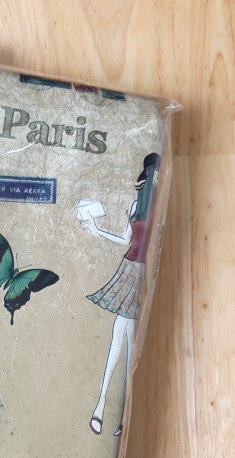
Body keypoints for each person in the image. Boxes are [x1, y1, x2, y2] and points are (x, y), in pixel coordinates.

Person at [79, 152, 161, 436]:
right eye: (155, 173)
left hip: (144, 276)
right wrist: (97, 230)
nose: (158, 178)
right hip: (129, 270)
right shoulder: (137, 204)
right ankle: (112, 409)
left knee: (125, 339)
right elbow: (125, 240)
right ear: (148, 174)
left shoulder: (162, 207)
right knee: (124, 338)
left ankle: (106, 407)